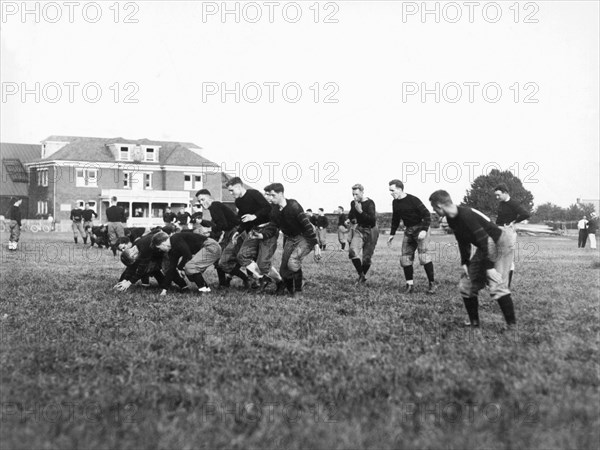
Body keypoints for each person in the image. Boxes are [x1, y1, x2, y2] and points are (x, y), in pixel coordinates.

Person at [429, 190, 517, 328]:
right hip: (486, 246)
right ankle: (474, 323)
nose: (434, 211)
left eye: (434, 208)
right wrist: (465, 261)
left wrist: (489, 268)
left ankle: (512, 326)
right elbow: (462, 240)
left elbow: (486, 241)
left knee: (496, 284)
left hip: (500, 243)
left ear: (439, 205)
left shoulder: (466, 215)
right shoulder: (452, 218)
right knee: (466, 285)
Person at [261, 183, 321, 297]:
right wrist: (261, 235)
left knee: (293, 262)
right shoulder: (274, 209)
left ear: (281, 194)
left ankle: (297, 292)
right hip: (290, 238)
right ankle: (291, 289)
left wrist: (316, 245)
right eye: (268, 195)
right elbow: (273, 226)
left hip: (304, 237)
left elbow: (307, 226)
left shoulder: (293, 205)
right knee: (284, 271)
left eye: (273, 195)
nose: (270, 198)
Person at [225, 177, 278, 285]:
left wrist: (254, 216)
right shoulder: (238, 201)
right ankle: (262, 278)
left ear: (239, 187)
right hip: (254, 230)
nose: (231, 193)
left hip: (267, 229)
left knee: (262, 262)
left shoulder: (253, 193)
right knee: (242, 256)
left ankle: (280, 282)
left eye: (232, 190)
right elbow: (245, 220)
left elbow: (268, 208)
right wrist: (238, 231)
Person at [387, 180, 436, 294]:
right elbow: (395, 219)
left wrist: (424, 230)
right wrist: (392, 234)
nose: (391, 193)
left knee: (423, 257)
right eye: (390, 191)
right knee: (405, 259)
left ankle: (432, 284)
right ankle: (410, 285)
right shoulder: (395, 202)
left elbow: (427, 215)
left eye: (392, 190)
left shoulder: (413, 199)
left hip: (421, 228)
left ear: (400, 189)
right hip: (409, 230)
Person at [195, 189, 250, 288]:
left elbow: (222, 224)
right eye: (199, 201)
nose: (201, 203)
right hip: (229, 233)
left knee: (224, 262)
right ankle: (223, 283)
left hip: (236, 233)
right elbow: (220, 225)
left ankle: (248, 279)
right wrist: (209, 228)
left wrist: (210, 229)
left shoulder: (215, 206)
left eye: (203, 199)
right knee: (218, 258)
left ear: (209, 197)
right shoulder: (214, 208)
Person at [151, 230, 222, 295]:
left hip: (211, 246)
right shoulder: (171, 251)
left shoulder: (175, 238)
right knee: (190, 274)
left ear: (162, 243)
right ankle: (206, 289)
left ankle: (204, 291)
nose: (160, 250)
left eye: (159, 248)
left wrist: (180, 267)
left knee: (190, 267)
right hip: (206, 248)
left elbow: (187, 255)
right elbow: (171, 269)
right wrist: (164, 289)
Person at [113, 231, 187, 292]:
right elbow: (131, 267)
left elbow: (141, 270)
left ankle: (184, 286)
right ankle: (165, 284)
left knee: (167, 268)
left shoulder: (143, 250)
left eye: (123, 248)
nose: (123, 250)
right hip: (157, 252)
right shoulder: (135, 248)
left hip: (164, 248)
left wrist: (129, 283)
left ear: (133, 255)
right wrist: (123, 280)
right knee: (153, 268)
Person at [494, 184, 530, 287]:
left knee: (508, 258)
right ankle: (499, 281)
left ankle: (507, 285)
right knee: (498, 256)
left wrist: (514, 222)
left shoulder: (513, 203)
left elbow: (525, 214)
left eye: (498, 195)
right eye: (496, 195)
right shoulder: (501, 204)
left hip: (508, 232)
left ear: (505, 193)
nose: (497, 197)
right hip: (499, 231)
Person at [346, 184, 379, 283]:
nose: (354, 197)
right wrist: (350, 220)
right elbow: (351, 215)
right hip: (360, 229)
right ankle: (361, 275)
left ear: (362, 192)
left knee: (367, 258)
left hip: (371, 229)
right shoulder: (353, 203)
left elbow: (372, 220)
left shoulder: (370, 203)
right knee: (352, 251)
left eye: (356, 194)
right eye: (353, 194)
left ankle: (361, 279)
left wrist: (360, 211)